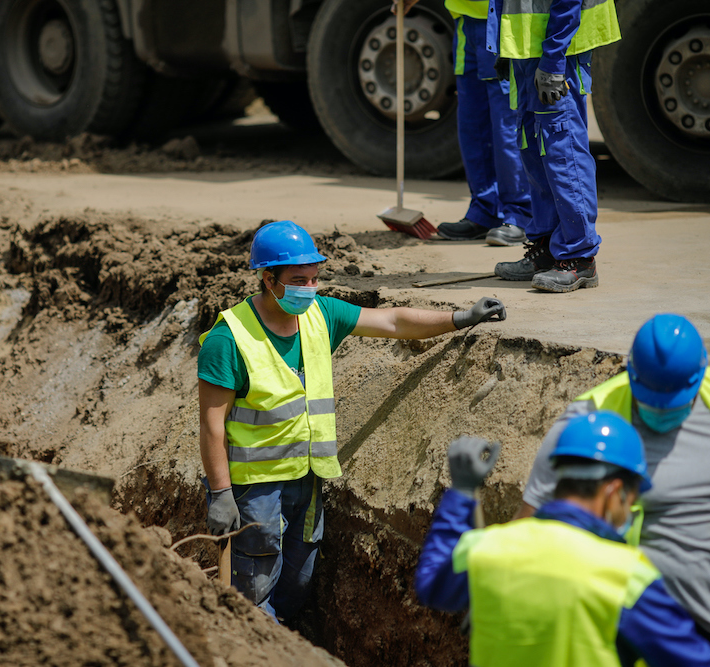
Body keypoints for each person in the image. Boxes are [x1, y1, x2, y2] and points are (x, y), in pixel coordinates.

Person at [198, 220, 506, 622]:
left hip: (307, 477)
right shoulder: (229, 339)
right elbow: (211, 425)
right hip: (254, 486)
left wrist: (461, 316)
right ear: (267, 278)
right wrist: (221, 493)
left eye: (313, 279)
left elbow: (393, 323)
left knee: (299, 579)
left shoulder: (320, 315)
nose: (308, 288)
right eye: (297, 280)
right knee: (255, 590)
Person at [516, 314, 710, 664]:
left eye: (670, 401)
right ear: (630, 373)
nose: (659, 409)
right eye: (649, 399)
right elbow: (529, 525)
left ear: (700, 376)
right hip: (618, 632)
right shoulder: (591, 421)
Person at [415, 413, 710, 666]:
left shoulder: (488, 548)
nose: (630, 511)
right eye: (630, 500)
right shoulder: (626, 578)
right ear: (614, 492)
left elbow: (431, 585)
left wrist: (461, 494)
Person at [486, 0, 620, 292]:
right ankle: (549, 247)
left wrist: (553, 59)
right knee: (534, 150)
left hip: (556, 51)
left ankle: (580, 257)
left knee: (563, 152)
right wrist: (503, 46)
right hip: (528, 51)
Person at [394, 0, 531, 247]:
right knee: (473, 123)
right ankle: (485, 211)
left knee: (506, 125)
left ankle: (520, 214)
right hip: (466, 19)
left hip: (501, 16)